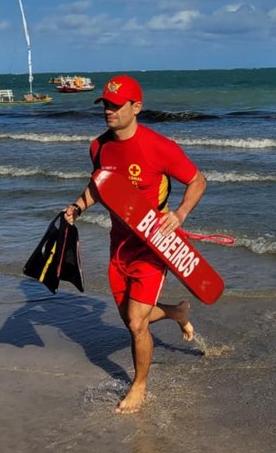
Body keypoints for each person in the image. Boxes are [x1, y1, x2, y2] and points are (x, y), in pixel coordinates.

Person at [64, 74, 207, 414]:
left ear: (136, 107)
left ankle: (139, 386)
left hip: (154, 244)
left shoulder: (159, 147)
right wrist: (77, 207)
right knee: (130, 316)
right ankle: (176, 312)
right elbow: (100, 185)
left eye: (116, 105)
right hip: (120, 244)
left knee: (136, 322)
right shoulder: (98, 147)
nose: (108, 111)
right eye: (105, 105)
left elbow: (197, 180)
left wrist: (181, 214)